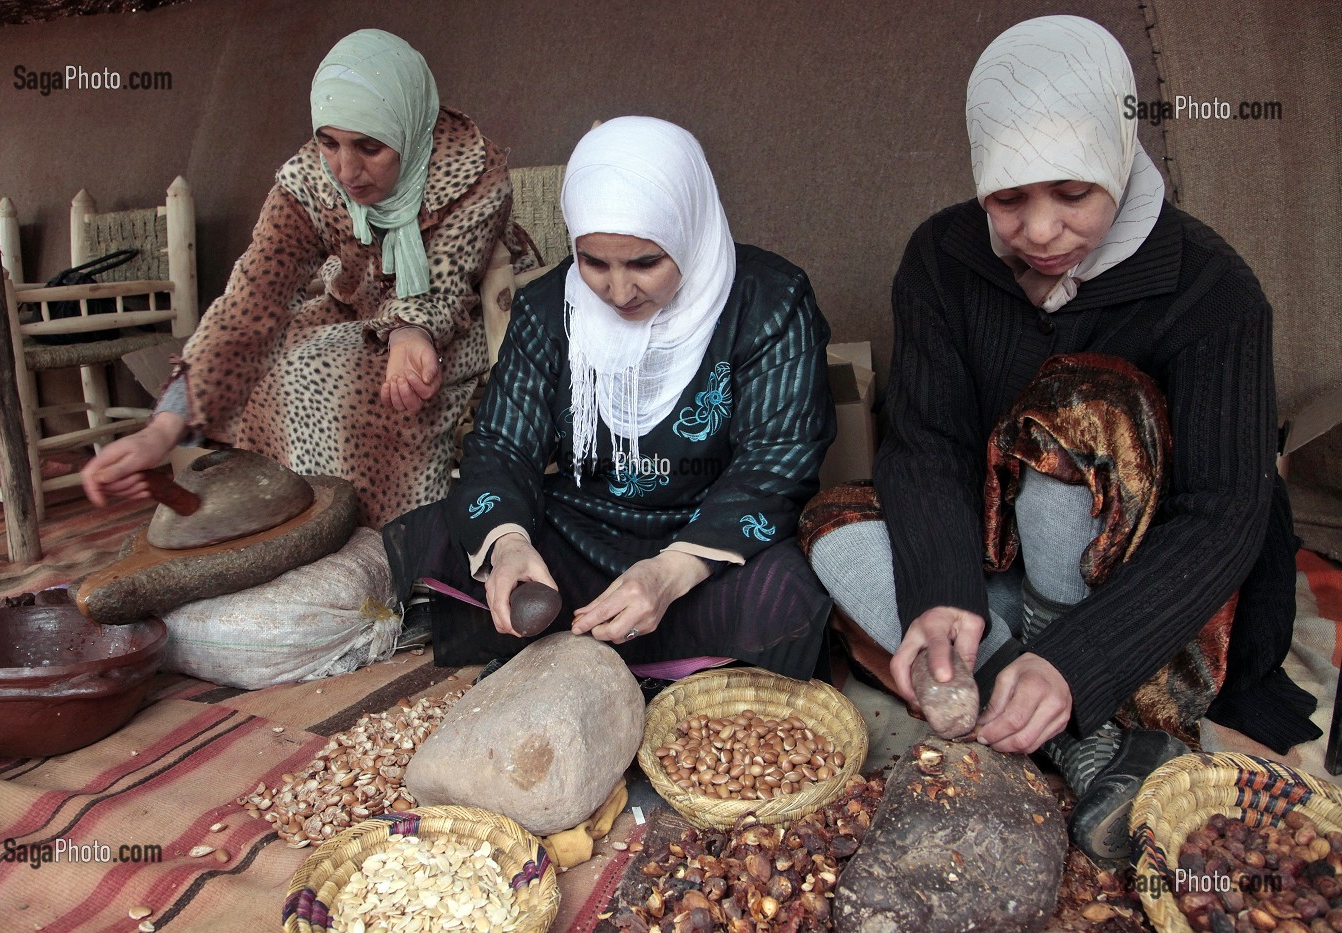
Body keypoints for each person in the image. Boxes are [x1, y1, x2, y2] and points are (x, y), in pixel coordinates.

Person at [802, 15, 1316, 859]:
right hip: (1004, 564)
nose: (1039, 231)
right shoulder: (941, 258)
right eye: (1008, 199)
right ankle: (1046, 711)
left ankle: (1060, 693)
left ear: (1120, 153)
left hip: (1155, 602)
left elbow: (1224, 515)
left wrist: (1078, 660)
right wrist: (942, 593)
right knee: (833, 530)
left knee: (1077, 415)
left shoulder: (1213, 291)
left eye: (1073, 193)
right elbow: (929, 442)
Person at [382, 116, 836, 681]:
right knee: (444, 531)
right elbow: (502, 446)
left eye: (646, 262)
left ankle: (613, 638)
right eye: (594, 262)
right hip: (585, 524)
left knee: (783, 595)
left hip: (708, 535)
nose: (618, 292)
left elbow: (778, 458)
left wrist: (671, 571)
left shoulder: (770, 301)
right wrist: (509, 546)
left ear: (689, 230)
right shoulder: (548, 307)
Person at [80, 28, 534, 527]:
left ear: (409, 127)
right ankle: (294, 531)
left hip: (463, 317)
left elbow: (449, 277)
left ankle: (391, 543)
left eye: (369, 147)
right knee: (271, 367)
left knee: (360, 385)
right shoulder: (309, 181)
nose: (346, 169)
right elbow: (252, 299)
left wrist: (409, 332)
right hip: (357, 307)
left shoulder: (471, 168)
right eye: (329, 142)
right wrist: (163, 429)